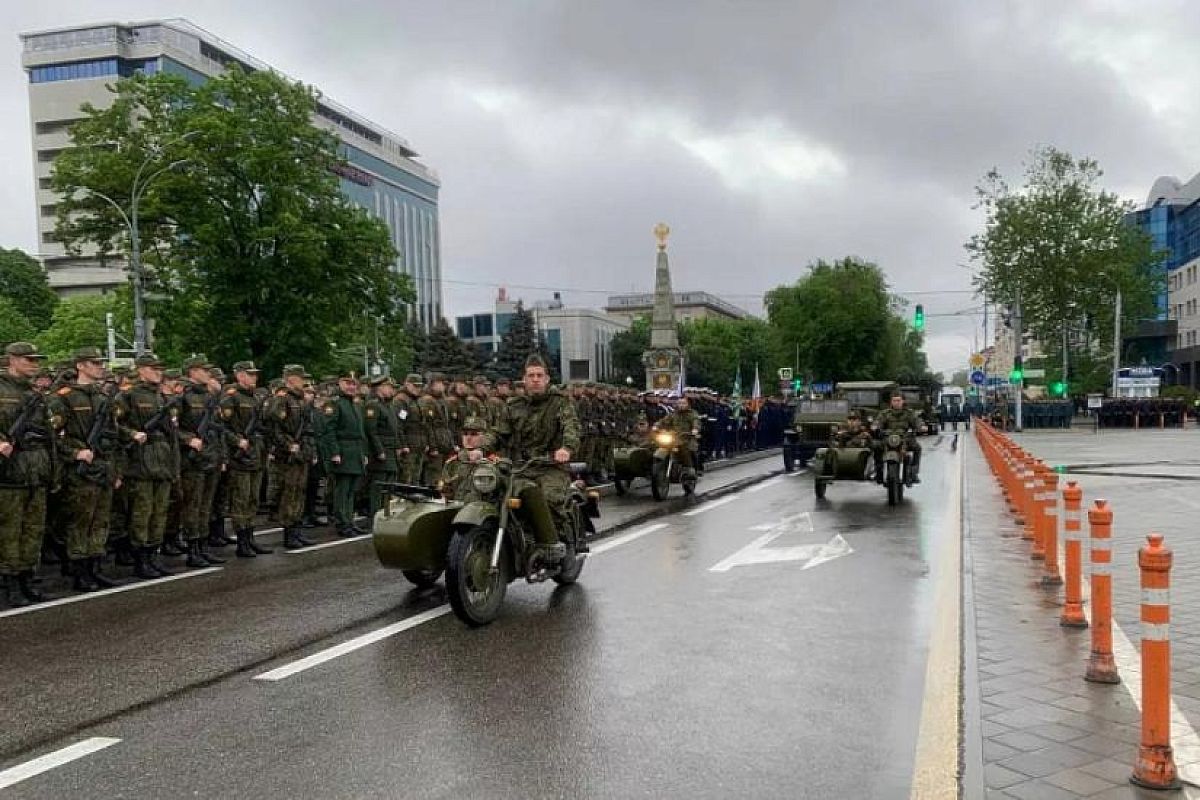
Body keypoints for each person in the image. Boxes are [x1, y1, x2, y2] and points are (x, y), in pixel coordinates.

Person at [470, 354, 581, 563]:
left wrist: (566, 448)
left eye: (540, 375)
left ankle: (558, 543)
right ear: (525, 379)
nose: (536, 379)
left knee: (549, 500)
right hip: (520, 467)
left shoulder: (560, 402)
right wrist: (481, 449)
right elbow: (498, 432)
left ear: (547, 379)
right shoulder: (514, 405)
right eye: (531, 375)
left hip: (551, 466)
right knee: (492, 494)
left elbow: (571, 427)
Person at [49, 346, 121, 592]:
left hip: (102, 468)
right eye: (94, 363)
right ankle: (80, 571)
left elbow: (114, 437)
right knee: (81, 521)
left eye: (100, 363)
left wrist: (115, 470)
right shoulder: (63, 398)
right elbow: (53, 437)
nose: (100, 367)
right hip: (80, 471)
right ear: (80, 366)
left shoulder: (103, 398)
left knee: (100, 520)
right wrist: (75, 453)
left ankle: (95, 567)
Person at [113, 353, 179, 578]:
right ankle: (140, 559)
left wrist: (173, 465)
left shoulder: (160, 396)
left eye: (160, 368)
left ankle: (153, 555)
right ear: (141, 369)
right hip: (140, 462)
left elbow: (171, 434)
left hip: (161, 459)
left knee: (159, 513)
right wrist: (132, 434)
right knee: (142, 513)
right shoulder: (128, 395)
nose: (158, 372)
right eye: (153, 368)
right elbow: (113, 425)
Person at [0, 342, 55, 606]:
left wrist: (52, 471)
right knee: (10, 531)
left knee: (33, 529)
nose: (34, 364)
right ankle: (9, 582)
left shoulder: (36, 394)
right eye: (28, 359)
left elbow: (49, 437)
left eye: (36, 359)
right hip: (9, 472)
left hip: (36, 469)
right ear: (12, 359)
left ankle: (26, 578)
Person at [174, 355, 226, 568]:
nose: (208, 374)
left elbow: (218, 430)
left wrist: (221, 456)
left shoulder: (210, 397)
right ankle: (192, 548)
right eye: (204, 370)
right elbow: (172, 427)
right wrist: (188, 439)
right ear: (192, 372)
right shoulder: (182, 396)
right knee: (193, 506)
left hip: (210, 458)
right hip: (192, 461)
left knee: (205, 506)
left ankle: (203, 546)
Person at [220, 361, 273, 558]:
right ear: (239, 375)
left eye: (255, 375)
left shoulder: (255, 399)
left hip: (255, 455)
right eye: (250, 374)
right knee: (241, 501)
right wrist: (236, 441)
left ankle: (250, 538)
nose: (254, 378)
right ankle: (242, 542)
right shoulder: (230, 398)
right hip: (240, 458)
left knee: (252, 500)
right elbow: (220, 426)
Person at [266, 365, 316, 549]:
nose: (304, 382)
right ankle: (289, 532)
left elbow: (308, 430)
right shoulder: (282, 400)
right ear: (291, 379)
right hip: (288, 455)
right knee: (290, 493)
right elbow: (274, 428)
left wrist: (308, 450)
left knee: (299, 492)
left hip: (302, 453)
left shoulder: (300, 400)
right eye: (301, 378)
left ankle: (296, 528)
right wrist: (288, 445)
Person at [318, 371, 368, 537]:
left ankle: (349, 520)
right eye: (348, 383)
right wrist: (334, 452)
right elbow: (329, 430)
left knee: (352, 490)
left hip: (355, 451)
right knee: (342, 490)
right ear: (339, 383)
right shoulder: (335, 404)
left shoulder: (354, 404)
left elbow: (361, 433)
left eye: (354, 383)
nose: (351, 387)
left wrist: (363, 453)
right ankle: (342, 522)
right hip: (343, 451)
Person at [364, 375, 403, 531]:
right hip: (381, 452)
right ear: (380, 388)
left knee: (389, 485)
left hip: (391, 450)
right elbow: (371, 431)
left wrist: (399, 446)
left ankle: (385, 514)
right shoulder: (373, 406)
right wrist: (379, 450)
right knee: (378, 487)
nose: (392, 390)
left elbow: (395, 430)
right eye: (389, 387)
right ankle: (375, 516)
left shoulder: (388, 406)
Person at [873, 391, 922, 484]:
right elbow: (878, 423)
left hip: (905, 438)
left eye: (898, 400)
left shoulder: (909, 413)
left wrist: (920, 427)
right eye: (894, 400)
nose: (896, 402)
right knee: (876, 447)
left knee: (917, 448)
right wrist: (876, 427)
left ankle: (914, 472)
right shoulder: (885, 413)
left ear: (903, 401)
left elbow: (917, 422)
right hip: (888, 438)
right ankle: (878, 473)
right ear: (891, 402)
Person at [439, 416, 491, 501]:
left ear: (484, 437)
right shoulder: (452, 462)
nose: (468, 438)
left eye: (474, 434)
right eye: (465, 434)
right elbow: (445, 493)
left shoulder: (491, 462)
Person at [657, 395, 701, 478]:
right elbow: (664, 421)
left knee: (690, 449)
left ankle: (692, 468)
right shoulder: (673, 414)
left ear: (688, 404)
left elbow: (696, 421)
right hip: (674, 438)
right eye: (679, 403)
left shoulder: (692, 413)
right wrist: (656, 426)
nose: (681, 405)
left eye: (683, 403)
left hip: (687, 438)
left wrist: (695, 429)